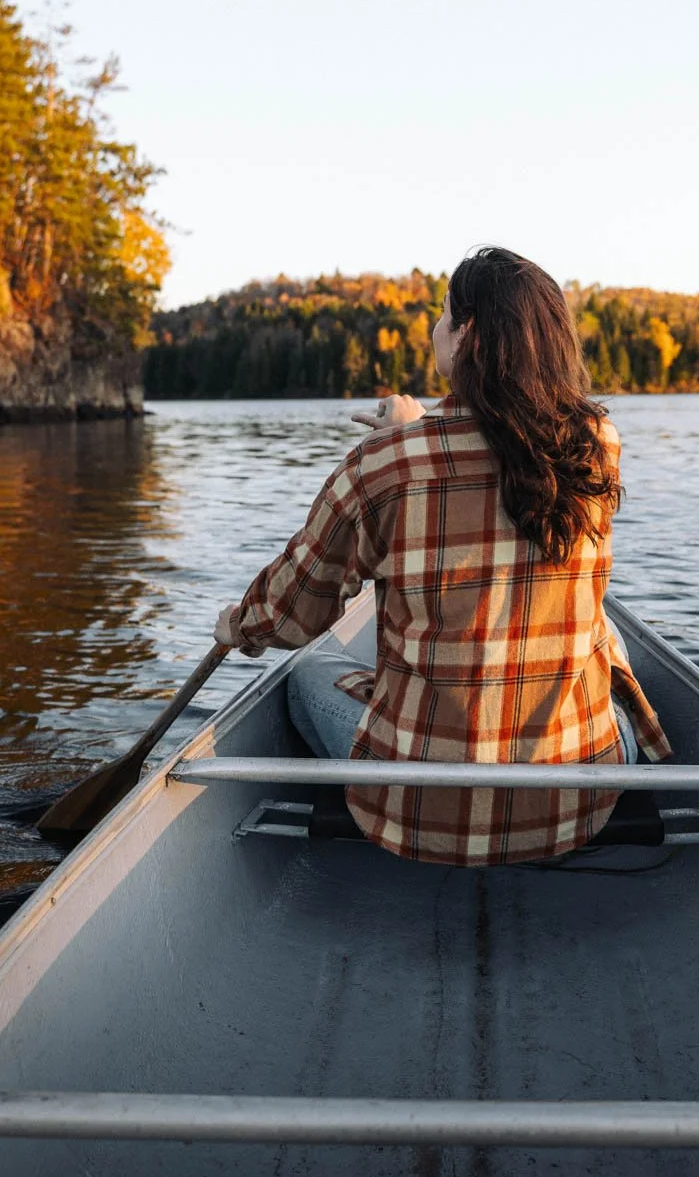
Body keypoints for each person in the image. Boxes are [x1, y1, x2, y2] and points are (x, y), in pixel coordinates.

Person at [214, 246, 671, 865]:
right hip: (574, 806)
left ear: (466, 336)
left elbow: (292, 616)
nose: (435, 326)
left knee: (304, 673)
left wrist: (237, 625)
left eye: (442, 314)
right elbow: (491, 456)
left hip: (416, 811)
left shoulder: (385, 466)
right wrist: (414, 434)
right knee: (603, 628)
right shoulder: (596, 445)